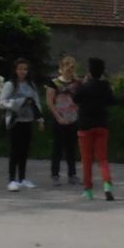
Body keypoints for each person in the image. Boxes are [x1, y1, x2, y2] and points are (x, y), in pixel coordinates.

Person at [0, 57, 44, 191]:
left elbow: (36, 103)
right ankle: (12, 180)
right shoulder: (10, 84)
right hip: (15, 121)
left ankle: (22, 178)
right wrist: (17, 103)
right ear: (15, 70)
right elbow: (1, 102)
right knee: (15, 150)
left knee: (25, 150)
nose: (22, 72)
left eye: (25, 69)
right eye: (20, 69)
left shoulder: (31, 85)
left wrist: (40, 119)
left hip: (27, 120)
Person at [75, 57, 115, 201]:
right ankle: (107, 184)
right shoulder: (105, 86)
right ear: (102, 72)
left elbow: (75, 98)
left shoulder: (84, 86)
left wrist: (83, 83)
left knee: (87, 160)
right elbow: (112, 101)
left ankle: (88, 190)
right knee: (102, 158)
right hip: (102, 125)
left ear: (89, 71)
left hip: (85, 126)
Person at [45, 54, 81, 185]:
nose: (69, 69)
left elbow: (80, 98)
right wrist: (58, 117)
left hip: (73, 118)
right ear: (61, 67)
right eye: (67, 65)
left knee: (72, 148)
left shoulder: (77, 83)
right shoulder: (54, 82)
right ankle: (55, 175)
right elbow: (49, 101)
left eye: (72, 66)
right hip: (59, 118)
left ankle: (72, 174)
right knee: (57, 148)